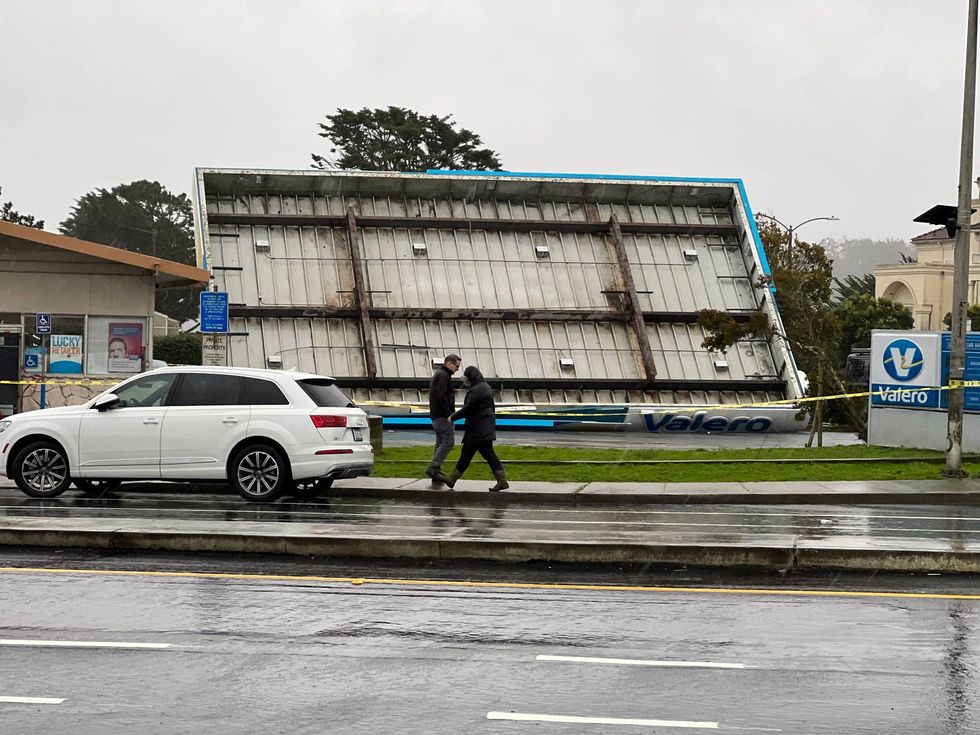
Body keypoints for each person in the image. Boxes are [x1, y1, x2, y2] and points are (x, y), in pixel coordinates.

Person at [444, 365, 509, 492]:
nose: (464, 380)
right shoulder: (485, 387)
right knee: (478, 454)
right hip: (483, 428)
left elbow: (468, 409)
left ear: (470, 377)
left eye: (465, 376)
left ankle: (452, 480)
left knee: (471, 454)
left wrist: (452, 418)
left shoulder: (476, 391)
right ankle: (501, 480)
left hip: (477, 429)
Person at [426, 353, 461, 485]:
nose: (457, 369)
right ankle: (434, 467)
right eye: (456, 366)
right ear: (449, 363)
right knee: (448, 443)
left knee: (440, 443)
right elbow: (441, 396)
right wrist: (449, 415)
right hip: (443, 416)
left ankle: (436, 471)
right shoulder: (443, 376)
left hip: (436, 415)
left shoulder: (440, 374)